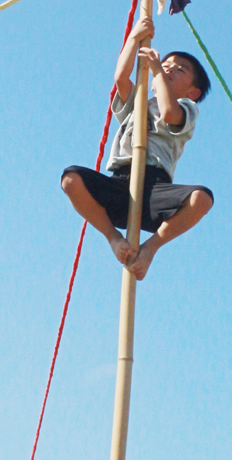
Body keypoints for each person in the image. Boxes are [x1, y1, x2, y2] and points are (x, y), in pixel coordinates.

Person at [61, 15, 213, 280]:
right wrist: (134, 37)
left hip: (154, 186)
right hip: (122, 181)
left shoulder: (187, 108)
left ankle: (151, 248)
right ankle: (113, 237)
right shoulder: (138, 103)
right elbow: (121, 78)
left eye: (180, 70)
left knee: (201, 198)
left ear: (193, 92)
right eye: (166, 64)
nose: (169, 69)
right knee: (71, 179)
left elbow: (168, 114)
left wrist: (157, 70)